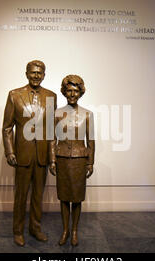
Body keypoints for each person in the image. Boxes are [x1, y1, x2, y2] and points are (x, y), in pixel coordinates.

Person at [2, 60, 57, 246]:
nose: (36, 76)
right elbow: (7, 127)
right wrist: (9, 152)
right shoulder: (14, 95)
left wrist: (52, 158)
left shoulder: (51, 96)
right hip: (22, 155)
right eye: (33, 72)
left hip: (41, 155)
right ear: (26, 73)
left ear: (44, 75)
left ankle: (35, 227)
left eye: (39, 73)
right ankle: (18, 230)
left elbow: (51, 131)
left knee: (38, 194)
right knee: (21, 195)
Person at [49, 75, 95, 246]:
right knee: (63, 197)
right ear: (64, 92)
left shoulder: (88, 115)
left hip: (79, 160)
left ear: (81, 92)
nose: (72, 94)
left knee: (76, 198)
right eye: (69, 90)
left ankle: (74, 230)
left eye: (76, 91)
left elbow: (91, 140)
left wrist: (90, 162)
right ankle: (65, 230)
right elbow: (51, 139)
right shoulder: (56, 114)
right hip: (61, 159)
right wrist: (52, 160)